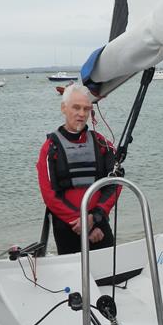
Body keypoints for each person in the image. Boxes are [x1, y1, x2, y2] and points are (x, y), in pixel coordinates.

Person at [36, 83, 121, 254]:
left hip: (99, 223)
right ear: (63, 108)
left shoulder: (102, 143)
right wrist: (81, 224)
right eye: (76, 108)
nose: (82, 114)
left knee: (110, 276)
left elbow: (115, 183)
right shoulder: (50, 147)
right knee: (73, 278)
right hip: (68, 227)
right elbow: (49, 195)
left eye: (86, 109)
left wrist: (95, 217)